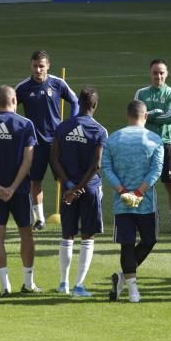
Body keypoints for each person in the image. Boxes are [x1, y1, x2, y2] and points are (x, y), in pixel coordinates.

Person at [0, 86, 39, 296]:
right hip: (19, 190)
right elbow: (28, 159)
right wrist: (12, 187)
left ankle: (5, 286)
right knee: (26, 234)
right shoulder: (25, 124)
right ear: (14, 101)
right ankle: (28, 283)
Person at [102, 100, 164, 303]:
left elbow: (106, 169)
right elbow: (156, 171)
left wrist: (122, 191)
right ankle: (132, 290)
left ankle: (125, 281)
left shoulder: (113, 139)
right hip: (146, 202)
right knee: (149, 240)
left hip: (122, 203)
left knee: (126, 245)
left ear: (127, 115)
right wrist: (138, 192)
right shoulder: (155, 139)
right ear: (145, 116)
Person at [51, 87, 107, 298]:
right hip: (90, 188)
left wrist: (70, 186)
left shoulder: (63, 127)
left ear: (81, 104)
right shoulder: (99, 130)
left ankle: (63, 283)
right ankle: (79, 285)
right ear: (94, 105)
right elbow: (97, 164)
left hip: (67, 189)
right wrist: (80, 188)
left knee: (67, 234)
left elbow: (54, 159)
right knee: (87, 236)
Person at [15, 50, 79, 230]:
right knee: (35, 181)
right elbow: (10, 107)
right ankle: (40, 219)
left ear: (48, 66)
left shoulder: (58, 83)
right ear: (31, 65)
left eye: (41, 66)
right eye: (35, 66)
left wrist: (70, 123)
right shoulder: (23, 87)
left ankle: (69, 215)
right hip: (35, 143)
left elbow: (75, 101)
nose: (37, 70)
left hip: (57, 142)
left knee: (65, 179)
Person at [134, 59, 171, 235]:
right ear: (150, 73)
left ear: (166, 74)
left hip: (165, 142)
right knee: (144, 182)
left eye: (161, 72)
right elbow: (137, 115)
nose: (158, 76)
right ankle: (144, 219)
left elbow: (170, 116)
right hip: (145, 143)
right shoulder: (141, 93)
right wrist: (155, 114)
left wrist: (149, 115)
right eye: (155, 73)